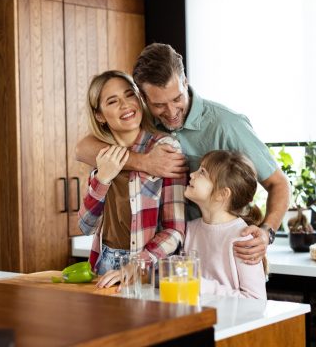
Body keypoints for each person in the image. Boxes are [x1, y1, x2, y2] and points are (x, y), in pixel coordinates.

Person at [76, 43, 290, 264]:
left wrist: (267, 231)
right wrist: (144, 162)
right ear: (143, 97)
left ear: (185, 82)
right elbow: (82, 149)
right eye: (159, 104)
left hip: (222, 249)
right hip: (167, 258)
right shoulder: (142, 120)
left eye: (177, 98)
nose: (170, 113)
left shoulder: (227, 124)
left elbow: (279, 183)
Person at [78, 70, 186, 289]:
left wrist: (137, 263)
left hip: (149, 267)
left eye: (129, 95)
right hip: (105, 264)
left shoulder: (165, 147)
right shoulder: (102, 155)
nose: (125, 105)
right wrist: (103, 178)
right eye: (112, 101)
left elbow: (175, 229)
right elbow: (85, 225)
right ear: (100, 115)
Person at [183, 150, 267, 299]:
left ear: (222, 194)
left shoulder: (243, 238)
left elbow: (256, 300)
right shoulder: (189, 229)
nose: (192, 174)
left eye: (202, 172)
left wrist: (202, 286)